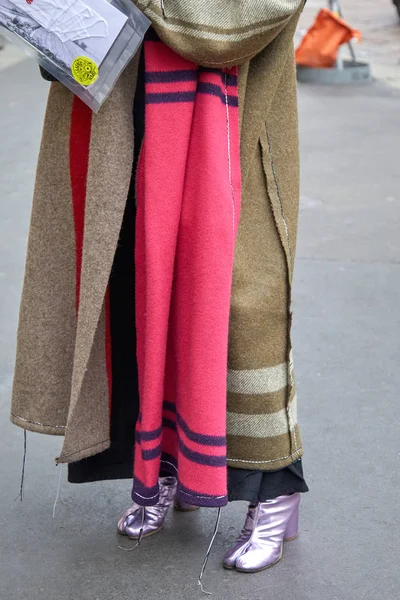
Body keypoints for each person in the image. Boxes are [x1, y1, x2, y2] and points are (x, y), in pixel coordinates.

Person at [11, 0, 308, 575]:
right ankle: (161, 464)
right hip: (120, 118)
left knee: (239, 312)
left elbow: (238, 23)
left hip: (229, 130)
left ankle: (275, 493)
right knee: (134, 300)